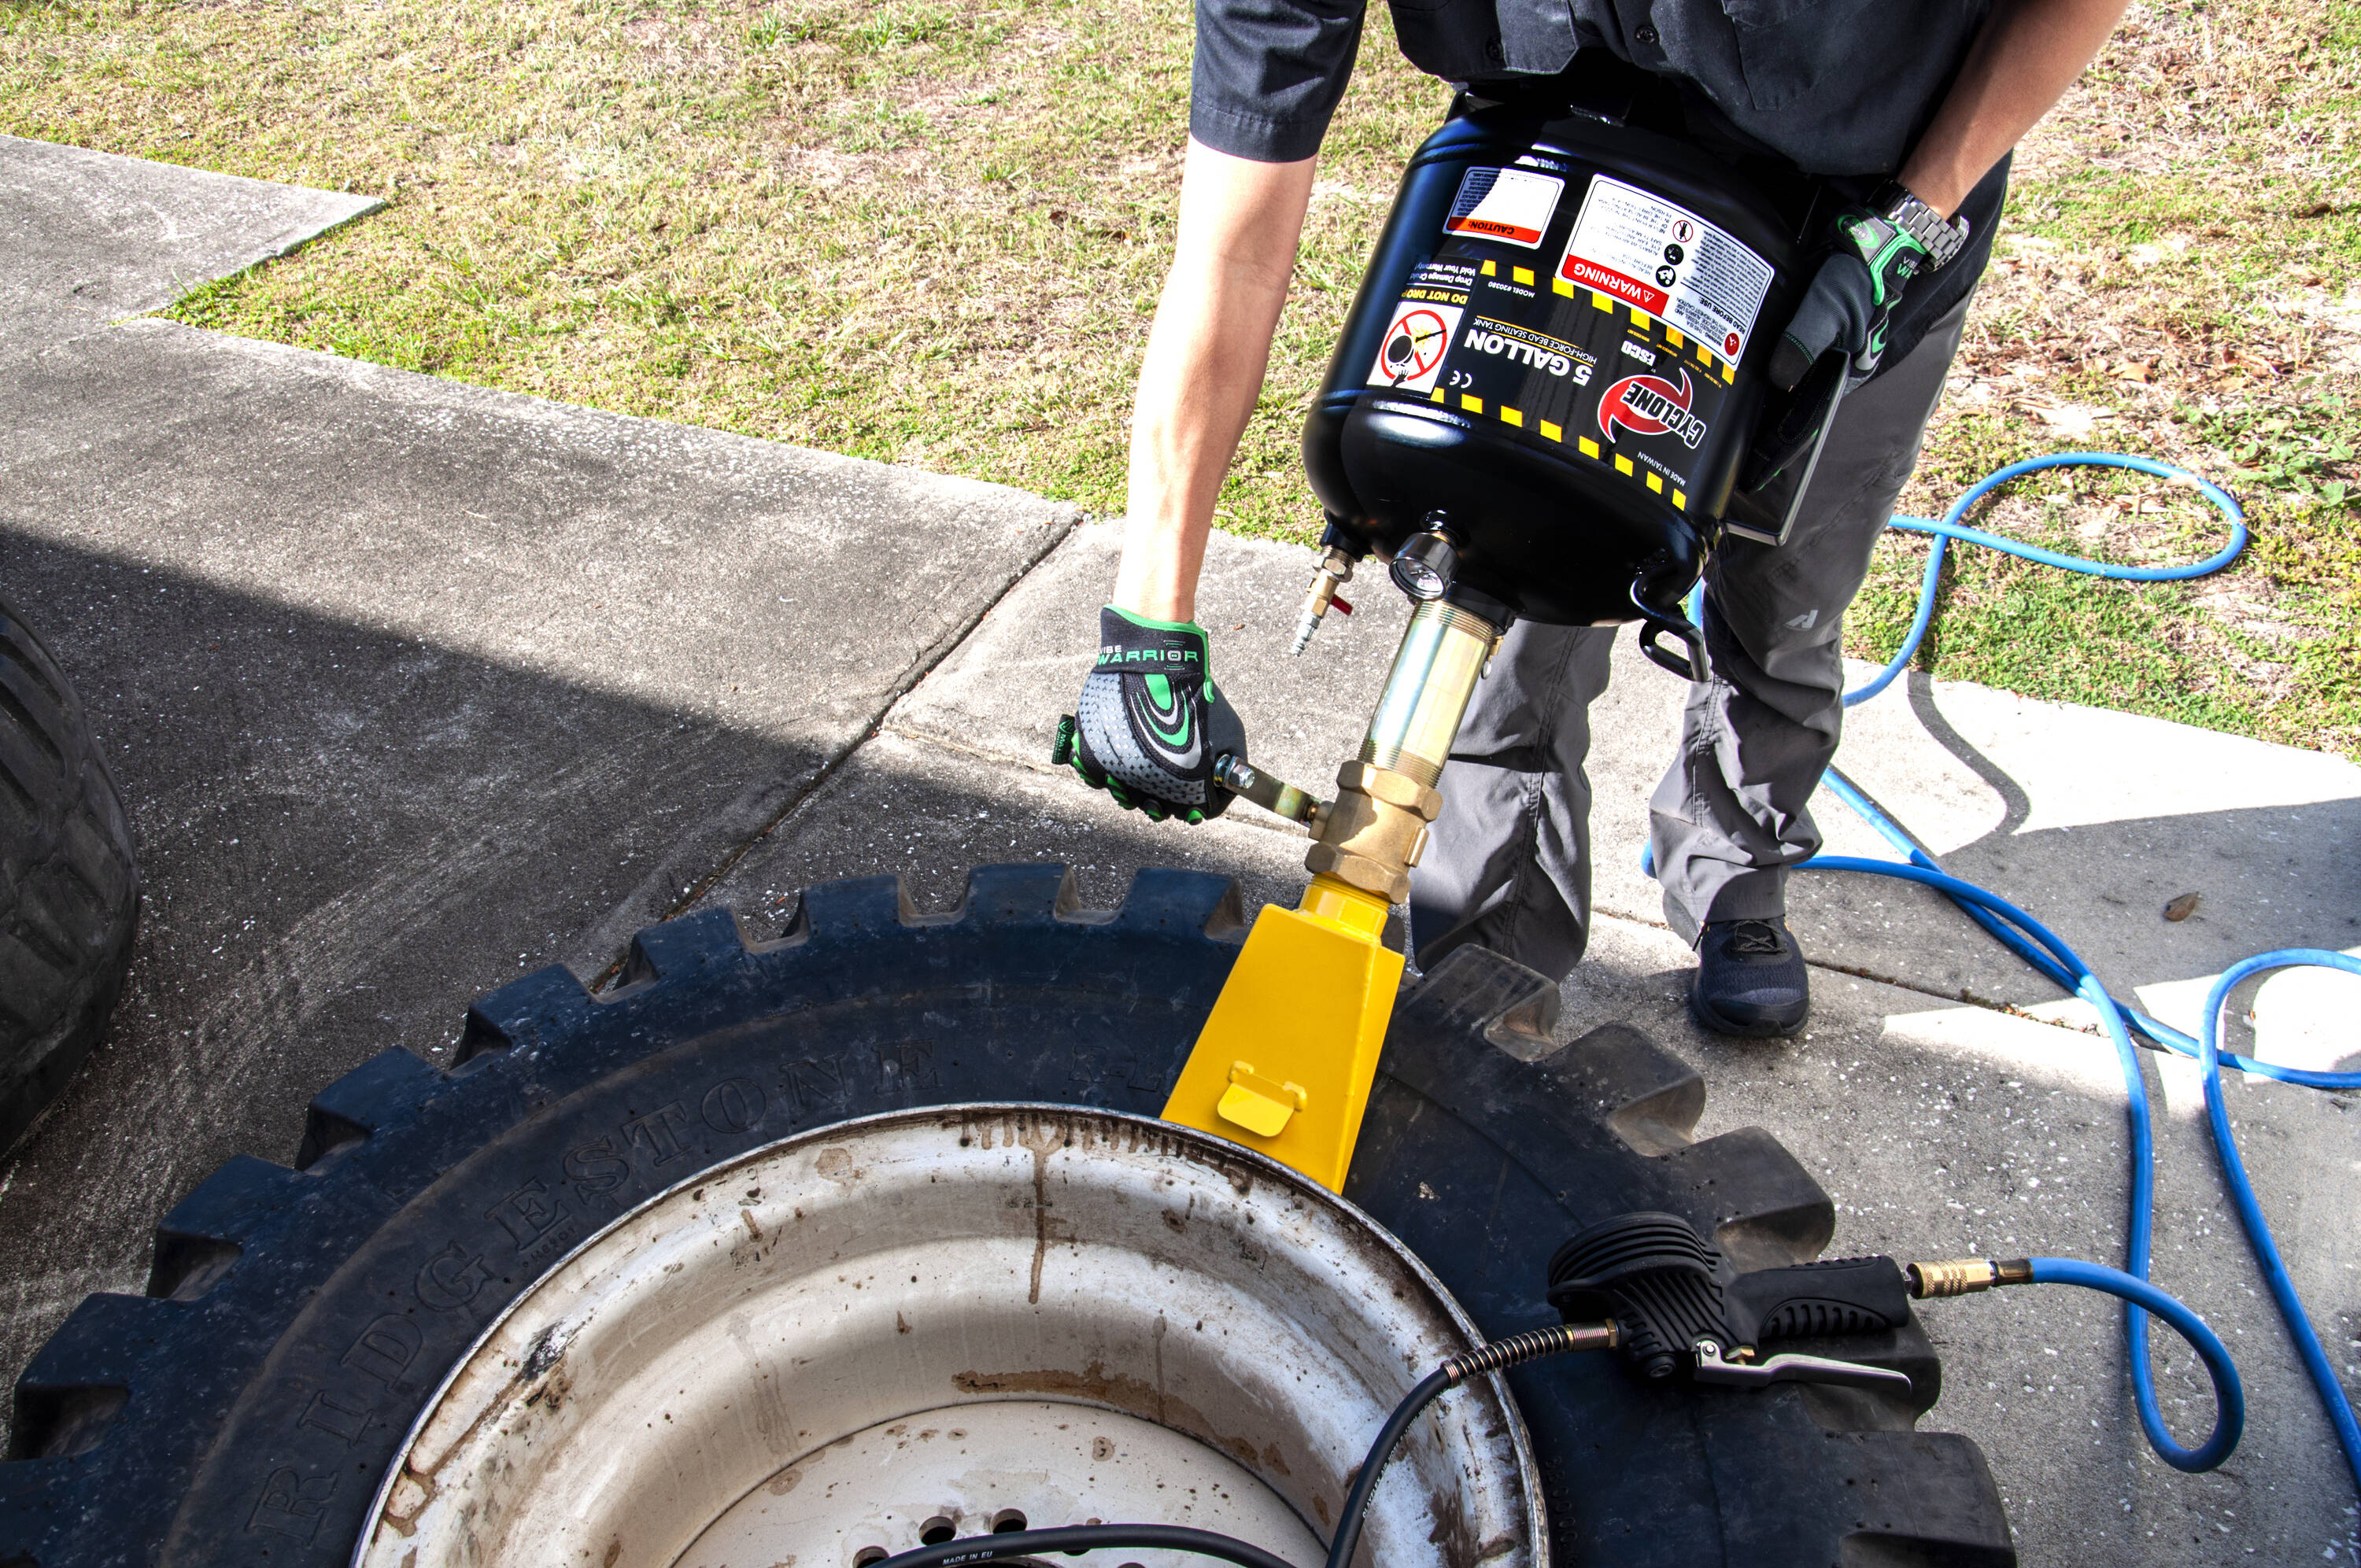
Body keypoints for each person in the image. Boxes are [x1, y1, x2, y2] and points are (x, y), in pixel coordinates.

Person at [1062, 0, 2128, 1038]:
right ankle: (1485, 955)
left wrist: (1912, 218)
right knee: (1505, 564)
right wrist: (1150, 615)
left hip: (1860, 211)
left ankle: (1737, 868)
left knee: (1785, 586)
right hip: (1561, 171)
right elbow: (1234, 247)